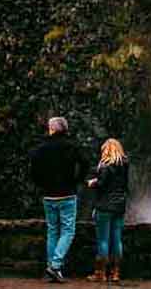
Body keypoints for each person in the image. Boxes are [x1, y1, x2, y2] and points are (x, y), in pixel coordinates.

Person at [29, 115, 86, 283]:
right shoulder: (72, 146)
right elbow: (85, 163)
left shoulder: (41, 148)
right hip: (67, 193)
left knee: (53, 231)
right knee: (68, 230)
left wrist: (41, 184)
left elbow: (33, 170)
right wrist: (77, 180)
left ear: (52, 129)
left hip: (48, 195)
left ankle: (52, 268)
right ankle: (55, 266)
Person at [86, 138, 130, 284]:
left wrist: (93, 183)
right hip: (119, 206)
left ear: (106, 150)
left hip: (104, 206)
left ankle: (101, 273)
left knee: (103, 240)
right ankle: (116, 273)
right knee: (117, 240)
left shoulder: (105, 166)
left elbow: (102, 184)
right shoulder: (124, 165)